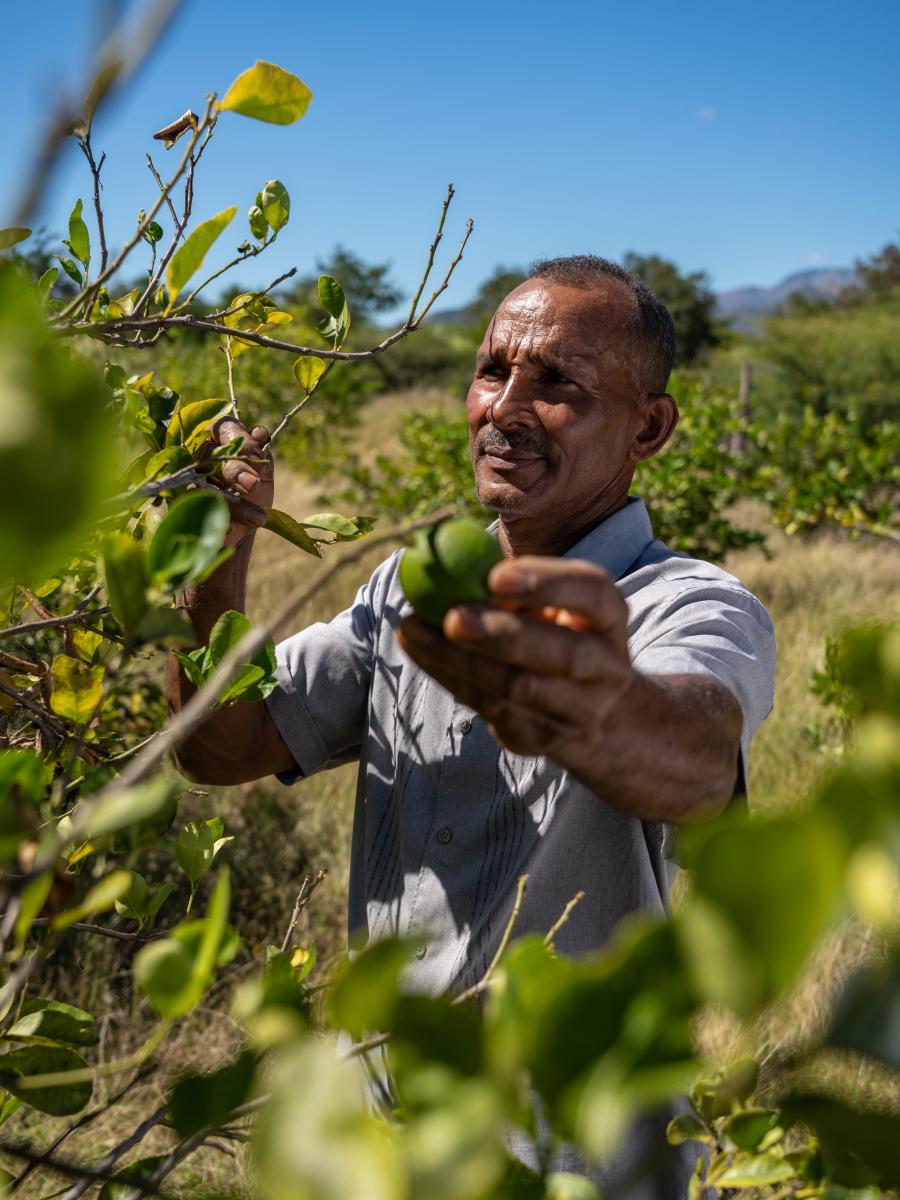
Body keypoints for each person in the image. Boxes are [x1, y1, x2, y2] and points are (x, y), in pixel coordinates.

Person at [168, 255, 776, 1198]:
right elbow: (218, 745)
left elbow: (695, 762)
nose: (506, 408)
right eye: (494, 370)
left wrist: (592, 705)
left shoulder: (689, 605)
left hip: (571, 1158)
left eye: (559, 383)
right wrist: (216, 551)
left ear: (648, 428)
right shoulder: (403, 593)